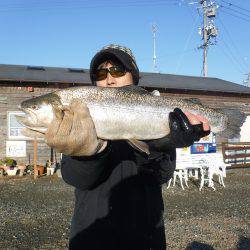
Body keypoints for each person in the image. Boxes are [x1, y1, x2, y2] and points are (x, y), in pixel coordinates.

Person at [44, 44, 210, 250]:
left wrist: (161, 144)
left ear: (134, 77)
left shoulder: (158, 116)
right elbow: (75, 178)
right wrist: (87, 152)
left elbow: (162, 176)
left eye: (117, 70)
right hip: (92, 237)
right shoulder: (79, 118)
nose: (109, 78)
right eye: (100, 73)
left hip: (146, 236)